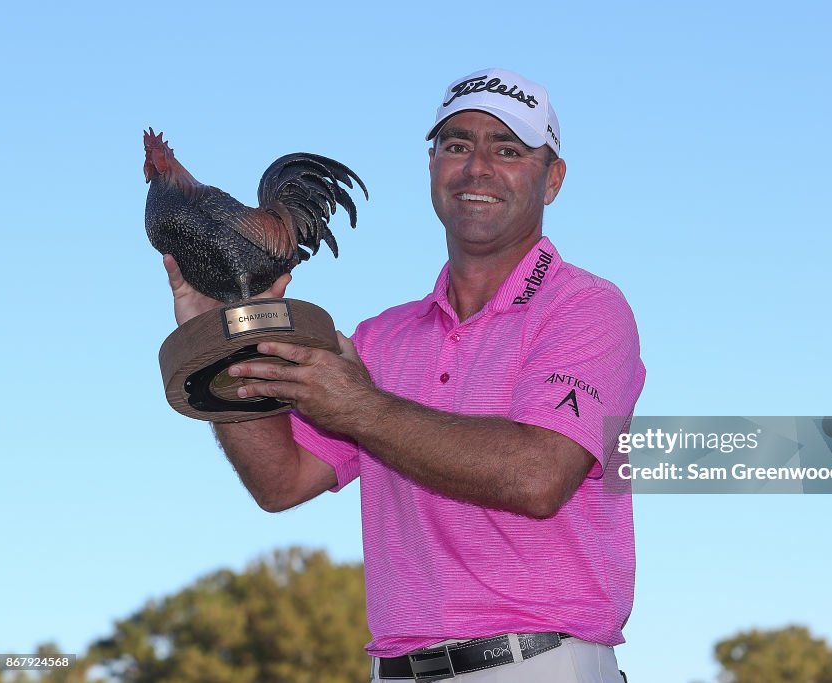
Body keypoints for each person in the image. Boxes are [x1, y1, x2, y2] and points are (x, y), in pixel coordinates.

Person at [164, 67, 646, 682]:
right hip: (394, 669)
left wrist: (361, 408)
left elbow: (539, 474)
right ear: (432, 167)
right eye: (456, 145)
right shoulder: (380, 339)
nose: (477, 167)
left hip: (539, 664)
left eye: (508, 150)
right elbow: (280, 481)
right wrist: (221, 340)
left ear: (552, 180)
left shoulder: (587, 308)